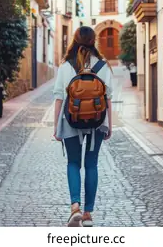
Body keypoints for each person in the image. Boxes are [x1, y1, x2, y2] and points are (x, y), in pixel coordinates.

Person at [53, 26, 113, 227]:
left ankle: (75, 208)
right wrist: (109, 125)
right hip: (97, 121)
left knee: (73, 163)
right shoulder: (103, 66)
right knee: (91, 164)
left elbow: (59, 97)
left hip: (70, 120)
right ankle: (88, 214)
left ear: (74, 40)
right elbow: (108, 97)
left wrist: (56, 127)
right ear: (94, 41)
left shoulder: (65, 66)